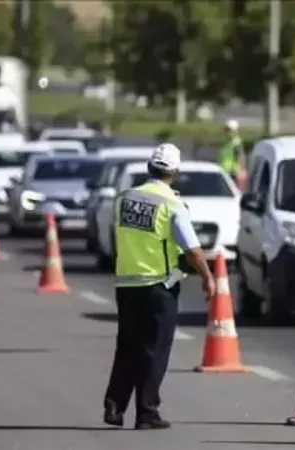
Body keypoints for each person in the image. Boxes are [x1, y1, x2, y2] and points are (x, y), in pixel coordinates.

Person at [103, 143, 216, 430]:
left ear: (148, 168)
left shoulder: (124, 199)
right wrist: (208, 277)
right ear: (175, 173)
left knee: (127, 346)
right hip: (158, 286)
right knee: (154, 350)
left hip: (126, 283)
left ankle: (114, 407)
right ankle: (146, 412)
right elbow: (191, 250)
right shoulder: (172, 205)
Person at [218, 119, 246, 186]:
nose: (228, 132)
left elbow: (241, 156)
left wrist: (242, 171)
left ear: (235, 131)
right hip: (223, 171)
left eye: (230, 130)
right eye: (226, 130)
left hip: (233, 173)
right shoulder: (226, 142)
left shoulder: (237, 143)